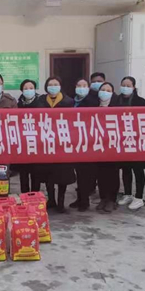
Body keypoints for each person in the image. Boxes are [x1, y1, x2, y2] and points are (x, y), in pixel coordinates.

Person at [35, 76, 75, 212]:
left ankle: (61, 201)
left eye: (55, 84)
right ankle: (51, 199)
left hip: (62, 142)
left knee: (62, 174)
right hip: (46, 141)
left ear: (60, 86)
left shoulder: (69, 101)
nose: (53, 87)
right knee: (48, 173)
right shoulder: (41, 100)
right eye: (50, 84)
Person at [112, 76, 145, 211]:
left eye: (128, 86)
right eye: (123, 85)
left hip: (137, 140)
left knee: (138, 169)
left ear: (134, 87)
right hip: (122, 140)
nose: (125, 88)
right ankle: (127, 194)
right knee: (126, 168)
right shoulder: (116, 100)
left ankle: (139, 197)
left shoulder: (140, 101)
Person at [71, 78, 98, 211]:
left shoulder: (92, 101)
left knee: (86, 173)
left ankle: (84, 201)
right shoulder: (72, 101)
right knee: (79, 172)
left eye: (84, 85)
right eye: (79, 85)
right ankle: (80, 198)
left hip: (88, 141)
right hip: (75, 141)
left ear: (88, 87)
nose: (81, 88)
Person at [95, 81, 119, 212]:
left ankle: (112, 199)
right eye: (103, 90)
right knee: (100, 173)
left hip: (113, 144)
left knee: (112, 173)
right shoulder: (93, 105)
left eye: (108, 90)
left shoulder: (117, 105)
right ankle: (103, 198)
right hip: (98, 144)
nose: (105, 92)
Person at [16, 79, 40, 194]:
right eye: (26, 88)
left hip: (36, 142)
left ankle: (35, 196)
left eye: (31, 88)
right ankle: (24, 196)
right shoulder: (18, 104)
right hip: (23, 142)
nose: (28, 90)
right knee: (23, 173)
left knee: (36, 173)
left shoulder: (41, 102)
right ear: (22, 90)